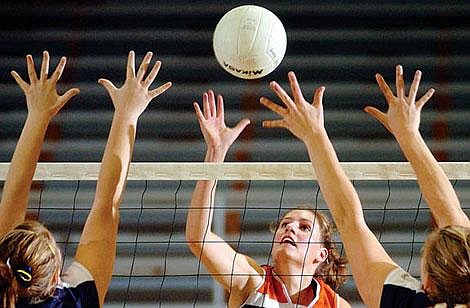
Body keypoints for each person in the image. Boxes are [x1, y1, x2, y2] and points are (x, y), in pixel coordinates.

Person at [260, 68, 470, 307]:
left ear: (428, 284)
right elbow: (453, 220)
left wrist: (314, 134)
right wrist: (409, 135)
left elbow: (348, 218)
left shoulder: (405, 302)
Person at [0, 50, 172, 307]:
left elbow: (15, 192)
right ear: (56, 277)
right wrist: (127, 113)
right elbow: (106, 206)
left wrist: (37, 115)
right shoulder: (75, 300)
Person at [185, 90, 350, 307]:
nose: (289, 229)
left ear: (321, 254)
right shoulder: (251, 280)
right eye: (285, 224)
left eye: (304, 228)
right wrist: (215, 153)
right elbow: (199, 238)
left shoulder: (335, 304)